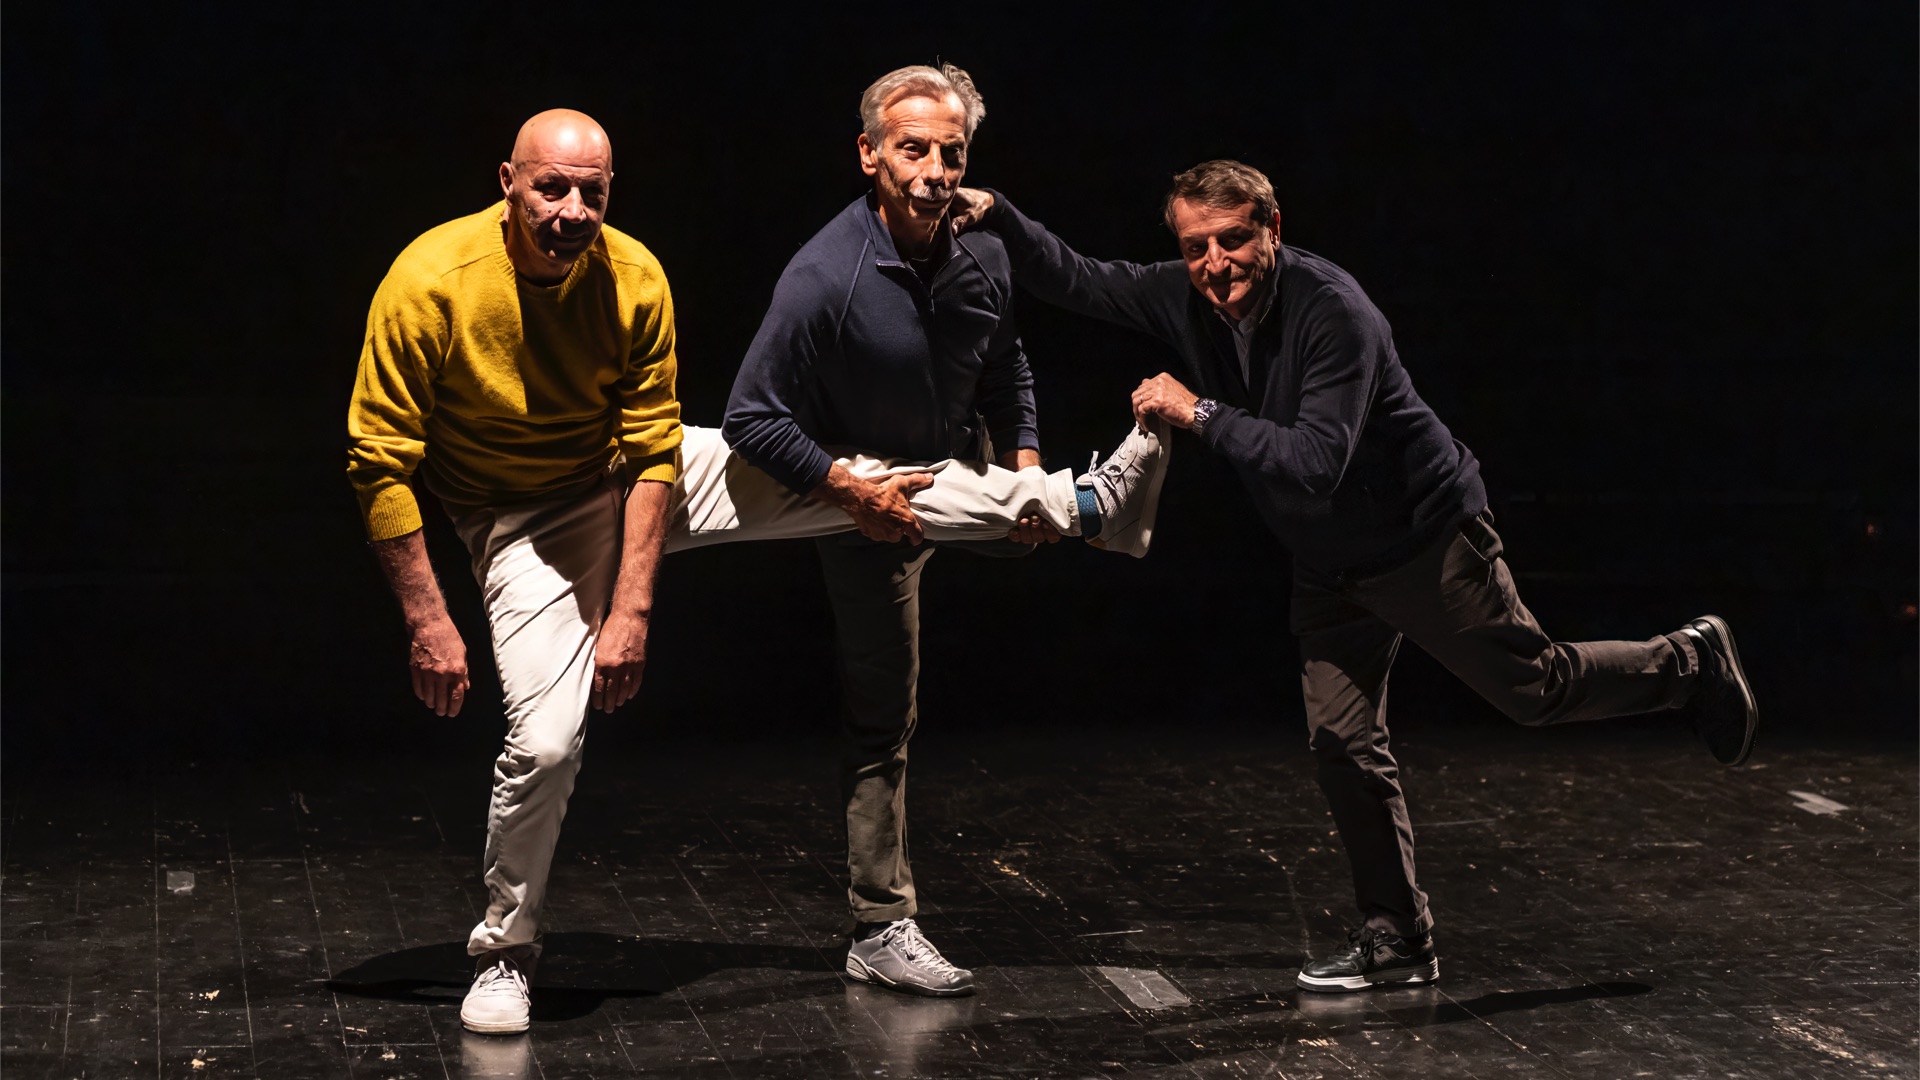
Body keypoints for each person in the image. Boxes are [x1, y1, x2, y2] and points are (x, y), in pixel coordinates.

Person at [345, 109, 1166, 1033]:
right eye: (552, 189)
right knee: (544, 746)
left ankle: (1081, 505)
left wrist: (632, 609)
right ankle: (505, 952)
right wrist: (429, 619)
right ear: (508, 183)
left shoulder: (634, 273)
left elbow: (654, 452)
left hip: (634, 475)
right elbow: (379, 463)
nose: (574, 212)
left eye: (592, 193)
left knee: (859, 479)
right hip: (523, 519)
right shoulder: (431, 281)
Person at [949, 160, 1759, 993]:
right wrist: (997, 211)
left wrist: (1200, 411)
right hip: (1329, 560)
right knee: (1341, 740)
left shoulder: (1335, 313)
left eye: (1233, 240)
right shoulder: (1185, 293)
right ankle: (1398, 933)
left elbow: (1315, 461)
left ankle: (1686, 661)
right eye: (1195, 248)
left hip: (1420, 540)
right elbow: (1080, 278)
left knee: (1534, 690)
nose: (1215, 264)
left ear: (1272, 228)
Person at [721, 62, 1170, 998]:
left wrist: (1026, 468)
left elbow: (1006, 368)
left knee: (1026, 511)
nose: (933, 171)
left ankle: (1070, 505)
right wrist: (850, 492)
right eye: (912, 149)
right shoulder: (824, 275)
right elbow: (751, 419)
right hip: (864, 503)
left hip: (961, 477)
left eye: (951, 153)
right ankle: (880, 926)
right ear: (869, 154)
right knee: (883, 715)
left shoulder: (986, 248)